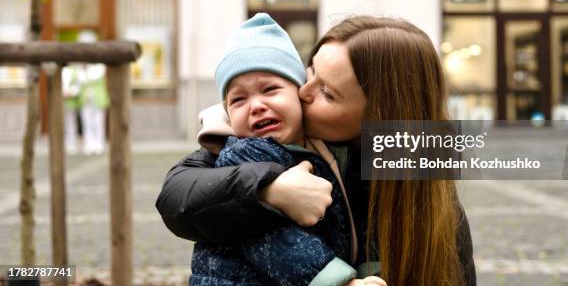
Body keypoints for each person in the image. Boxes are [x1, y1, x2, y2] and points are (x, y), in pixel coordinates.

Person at [156, 16, 477, 286]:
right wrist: (265, 190)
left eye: (325, 91)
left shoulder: (425, 188)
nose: (302, 92)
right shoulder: (247, 144)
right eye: (310, 73)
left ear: (376, 117)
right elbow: (179, 194)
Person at [189, 13, 385, 286]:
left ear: (298, 93)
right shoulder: (242, 155)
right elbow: (272, 238)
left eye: (270, 89)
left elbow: (362, 217)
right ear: (227, 114)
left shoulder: (328, 149)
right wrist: (338, 281)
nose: (256, 105)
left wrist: (371, 271)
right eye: (238, 99)